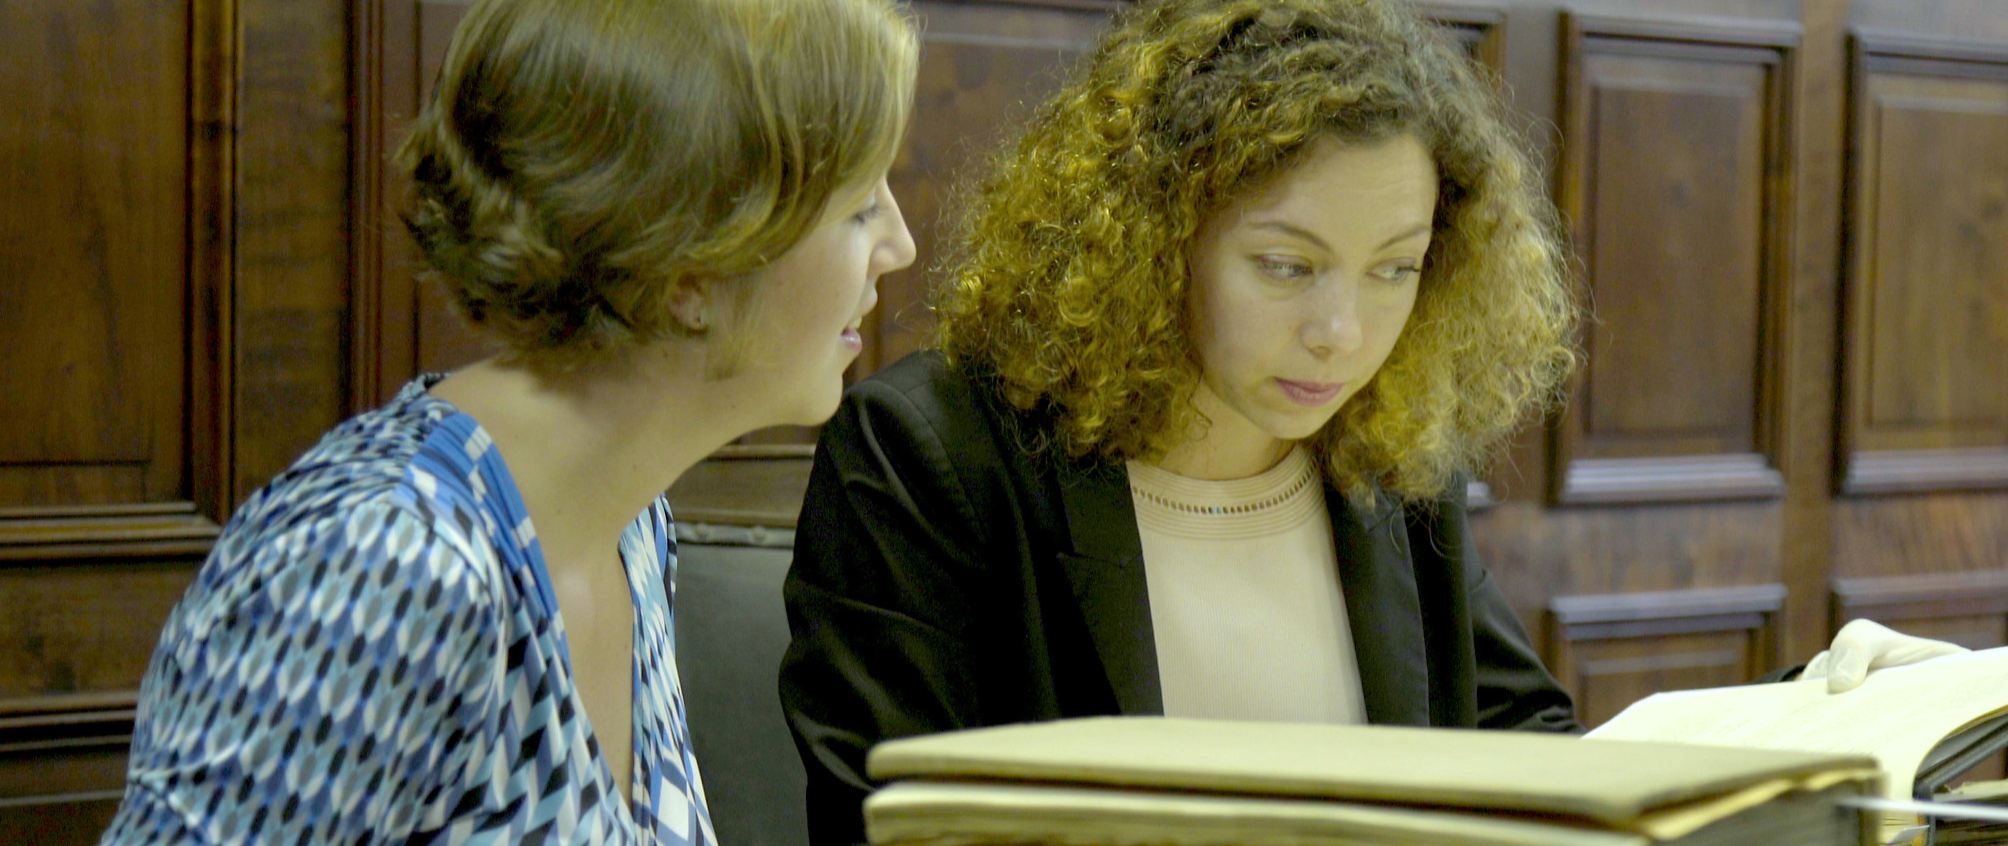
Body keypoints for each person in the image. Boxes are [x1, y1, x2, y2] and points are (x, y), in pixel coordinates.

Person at [775, 0, 1965, 842]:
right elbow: (881, 820)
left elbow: (1527, 765)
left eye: (1394, 270)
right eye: (1287, 267)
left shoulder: (1382, 464)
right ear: (1147, 240)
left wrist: (1817, 717)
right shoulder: (932, 453)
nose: (1343, 336)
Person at [98, 0, 916, 842]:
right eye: (859, 208)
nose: (901, 244)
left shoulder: (630, 524)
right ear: (690, 269)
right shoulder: (382, 564)